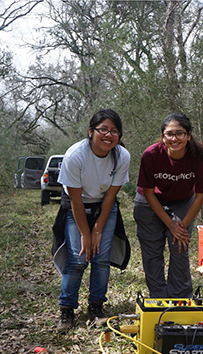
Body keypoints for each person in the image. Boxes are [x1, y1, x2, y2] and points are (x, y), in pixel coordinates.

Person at [52, 108, 131, 331]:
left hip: (104, 205)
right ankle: (66, 310)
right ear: (90, 132)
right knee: (78, 259)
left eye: (114, 131)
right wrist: (86, 234)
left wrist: (97, 231)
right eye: (103, 130)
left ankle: (96, 307)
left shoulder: (121, 156)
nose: (108, 135)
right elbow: (75, 202)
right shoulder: (75, 156)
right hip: (77, 206)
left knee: (101, 258)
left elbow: (110, 198)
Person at [134, 113, 203, 298]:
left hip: (182, 201)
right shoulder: (151, 155)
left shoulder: (200, 157)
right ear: (163, 137)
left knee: (180, 245)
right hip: (149, 202)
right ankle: (158, 299)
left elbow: (202, 194)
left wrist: (182, 225)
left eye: (180, 133)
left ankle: (180, 298)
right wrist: (170, 224)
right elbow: (148, 192)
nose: (174, 138)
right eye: (169, 134)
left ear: (188, 135)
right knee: (152, 251)